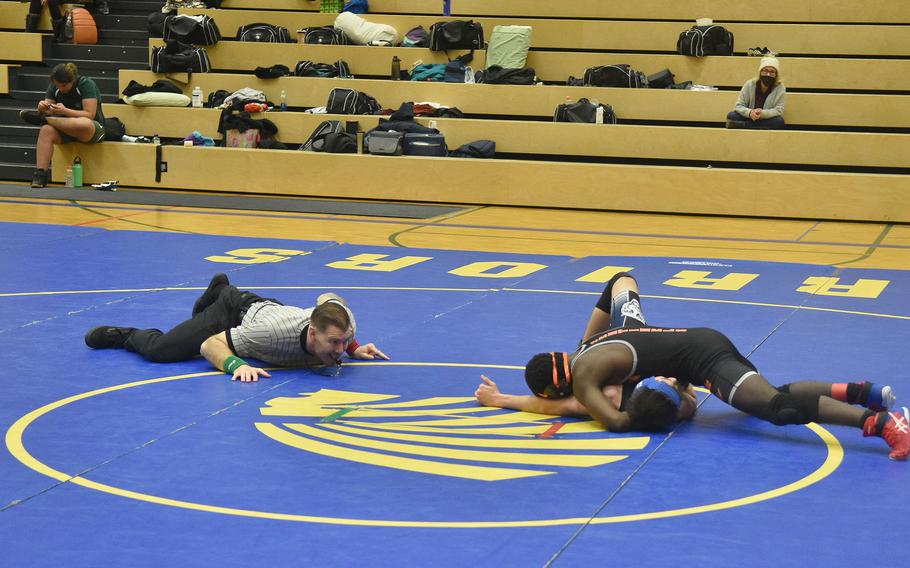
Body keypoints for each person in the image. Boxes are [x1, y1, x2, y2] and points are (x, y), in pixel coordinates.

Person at [523, 313, 909, 460]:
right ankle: (861, 393)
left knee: (779, 409)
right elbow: (623, 283)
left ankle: (883, 423)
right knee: (772, 397)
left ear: (557, 389)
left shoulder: (588, 376)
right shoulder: (589, 347)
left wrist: (654, 407)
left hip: (704, 361)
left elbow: (618, 422)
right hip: (702, 342)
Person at [84, 273, 389, 382]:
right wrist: (234, 364)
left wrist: (353, 346)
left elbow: (328, 297)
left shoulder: (343, 320)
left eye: (342, 342)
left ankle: (220, 287)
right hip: (233, 313)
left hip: (266, 307)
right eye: (334, 343)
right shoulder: (270, 334)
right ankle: (122, 336)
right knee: (162, 351)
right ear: (312, 333)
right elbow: (210, 345)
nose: (339, 352)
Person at [475, 272, 698, 421]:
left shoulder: (599, 395)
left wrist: (498, 399)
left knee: (684, 402)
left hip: (660, 362)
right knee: (621, 278)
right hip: (643, 345)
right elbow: (621, 279)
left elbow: (557, 407)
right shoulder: (595, 367)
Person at [19, 63, 106, 188]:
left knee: (84, 123)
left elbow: (90, 114)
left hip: (91, 129)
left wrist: (65, 111)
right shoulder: (54, 86)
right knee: (46, 130)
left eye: (64, 85)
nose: (60, 88)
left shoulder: (86, 84)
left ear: (72, 80)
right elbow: (49, 110)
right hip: (65, 128)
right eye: (57, 86)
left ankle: (43, 120)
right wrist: (42, 108)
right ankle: (40, 174)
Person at [725, 56, 786, 130]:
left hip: (766, 118)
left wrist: (763, 114)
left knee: (779, 121)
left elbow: (779, 110)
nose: (768, 74)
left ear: (776, 74)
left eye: (772, 71)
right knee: (731, 115)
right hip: (749, 117)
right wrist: (750, 113)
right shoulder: (749, 84)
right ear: (760, 72)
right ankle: (757, 126)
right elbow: (738, 106)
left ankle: (744, 125)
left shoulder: (780, 87)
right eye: (765, 70)